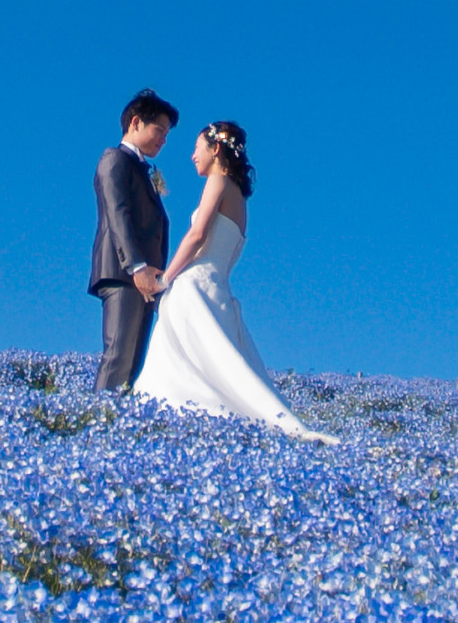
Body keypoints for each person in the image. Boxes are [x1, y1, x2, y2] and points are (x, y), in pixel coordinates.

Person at [127, 119, 336, 440]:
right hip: (219, 290)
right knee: (222, 367)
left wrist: (165, 279)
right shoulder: (240, 199)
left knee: (182, 369)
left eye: (197, 148)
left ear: (216, 149)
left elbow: (197, 235)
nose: (193, 156)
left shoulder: (219, 181)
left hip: (193, 289)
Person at [88, 90, 177, 392]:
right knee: (118, 356)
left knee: (134, 366)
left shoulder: (143, 169)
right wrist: (137, 266)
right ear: (136, 122)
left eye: (166, 135)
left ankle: (119, 417)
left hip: (147, 280)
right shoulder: (114, 159)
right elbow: (118, 213)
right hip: (124, 273)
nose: (163, 140)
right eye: (159, 130)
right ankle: (97, 417)